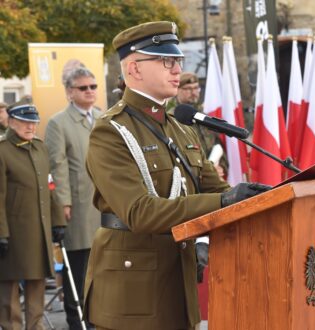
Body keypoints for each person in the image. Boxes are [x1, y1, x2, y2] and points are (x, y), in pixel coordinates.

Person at [83, 21, 270, 330]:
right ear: (134, 69)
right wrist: (224, 199)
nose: (176, 69)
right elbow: (140, 213)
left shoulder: (181, 127)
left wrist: (255, 199)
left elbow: (214, 190)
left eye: (177, 61)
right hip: (133, 291)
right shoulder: (110, 131)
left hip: (179, 278)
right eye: (165, 61)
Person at [0, 102, 65, 330]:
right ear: (12, 121)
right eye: (26, 122)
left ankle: (36, 327)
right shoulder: (3, 150)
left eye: (34, 122)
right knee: (9, 287)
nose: (31, 127)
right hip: (13, 230)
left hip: (39, 228)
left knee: (37, 283)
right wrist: (1, 233)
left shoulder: (39, 147)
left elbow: (49, 185)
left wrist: (58, 221)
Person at [45, 67, 101, 330]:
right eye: (83, 88)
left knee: (103, 265)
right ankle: (77, 322)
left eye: (93, 86)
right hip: (78, 205)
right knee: (78, 269)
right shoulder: (58, 123)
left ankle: (100, 319)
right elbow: (57, 165)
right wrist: (63, 203)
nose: (90, 91)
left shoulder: (101, 118)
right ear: (69, 93)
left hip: (105, 205)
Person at [167, 71, 228, 180]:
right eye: (188, 89)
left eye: (196, 88)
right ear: (177, 90)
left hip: (211, 179)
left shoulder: (205, 117)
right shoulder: (171, 119)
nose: (194, 92)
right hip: (190, 181)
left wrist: (221, 167)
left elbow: (218, 145)